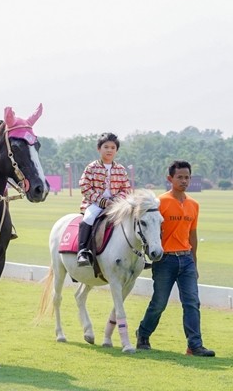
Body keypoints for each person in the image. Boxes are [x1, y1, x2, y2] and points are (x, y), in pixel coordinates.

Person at [136, 161, 215, 357]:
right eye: (179, 177)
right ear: (170, 179)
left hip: (186, 259)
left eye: (187, 177)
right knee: (159, 303)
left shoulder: (193, 205)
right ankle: (143, 334)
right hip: (165, 261)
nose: (184, 181)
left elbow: (193, 236)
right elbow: (149, 229)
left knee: (192, 302)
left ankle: (194, 345)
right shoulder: (159, 203)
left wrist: (194, 263)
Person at [76, 132, 132, 266]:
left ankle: (138, 255)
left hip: (117, 205)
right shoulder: (91, 167)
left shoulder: (121, 169)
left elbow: (126, 189)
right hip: (95, 204)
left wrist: (116, 201)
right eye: (106, 147)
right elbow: (85, 186)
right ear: (99, 149)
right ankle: (82, 252)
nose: (109, 150)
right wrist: (103, 201)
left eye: (113, 148)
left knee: (134, 219)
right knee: (88, 218)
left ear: (116, 150)